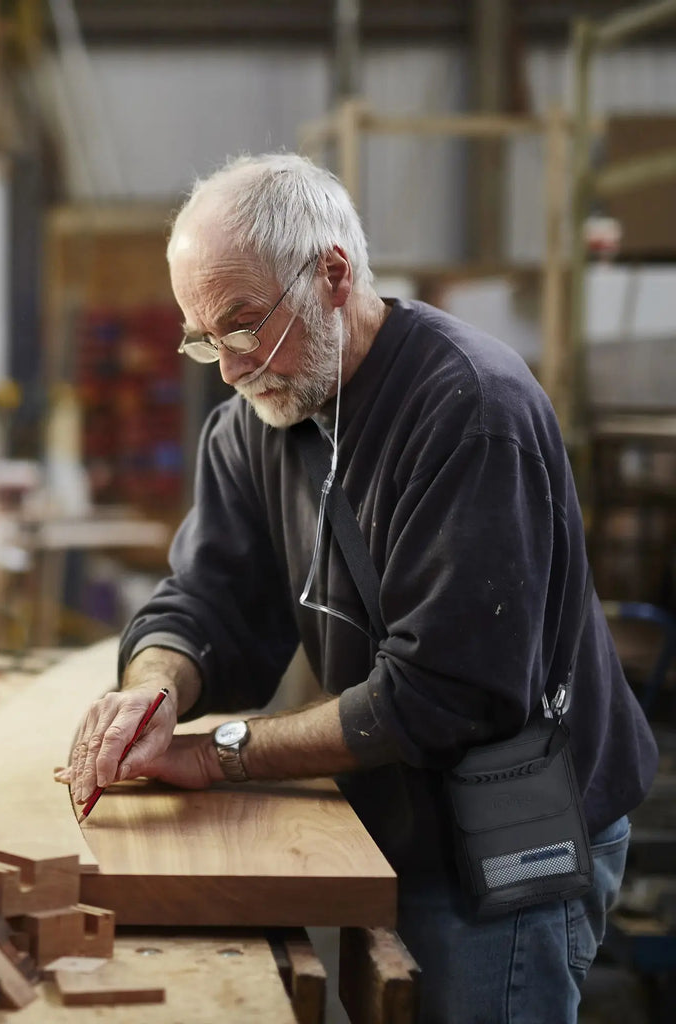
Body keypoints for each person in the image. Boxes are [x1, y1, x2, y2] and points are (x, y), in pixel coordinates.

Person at [58, 153, 659, 1022]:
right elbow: (207, 603)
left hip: (511, 834)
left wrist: (215, 752)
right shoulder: (253, 425)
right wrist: (155, 690)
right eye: (202, 338)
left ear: (333, 275)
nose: (226, 367)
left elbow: (443, 695)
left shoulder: (470, 412)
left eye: (242, 325)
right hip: (391, 818)